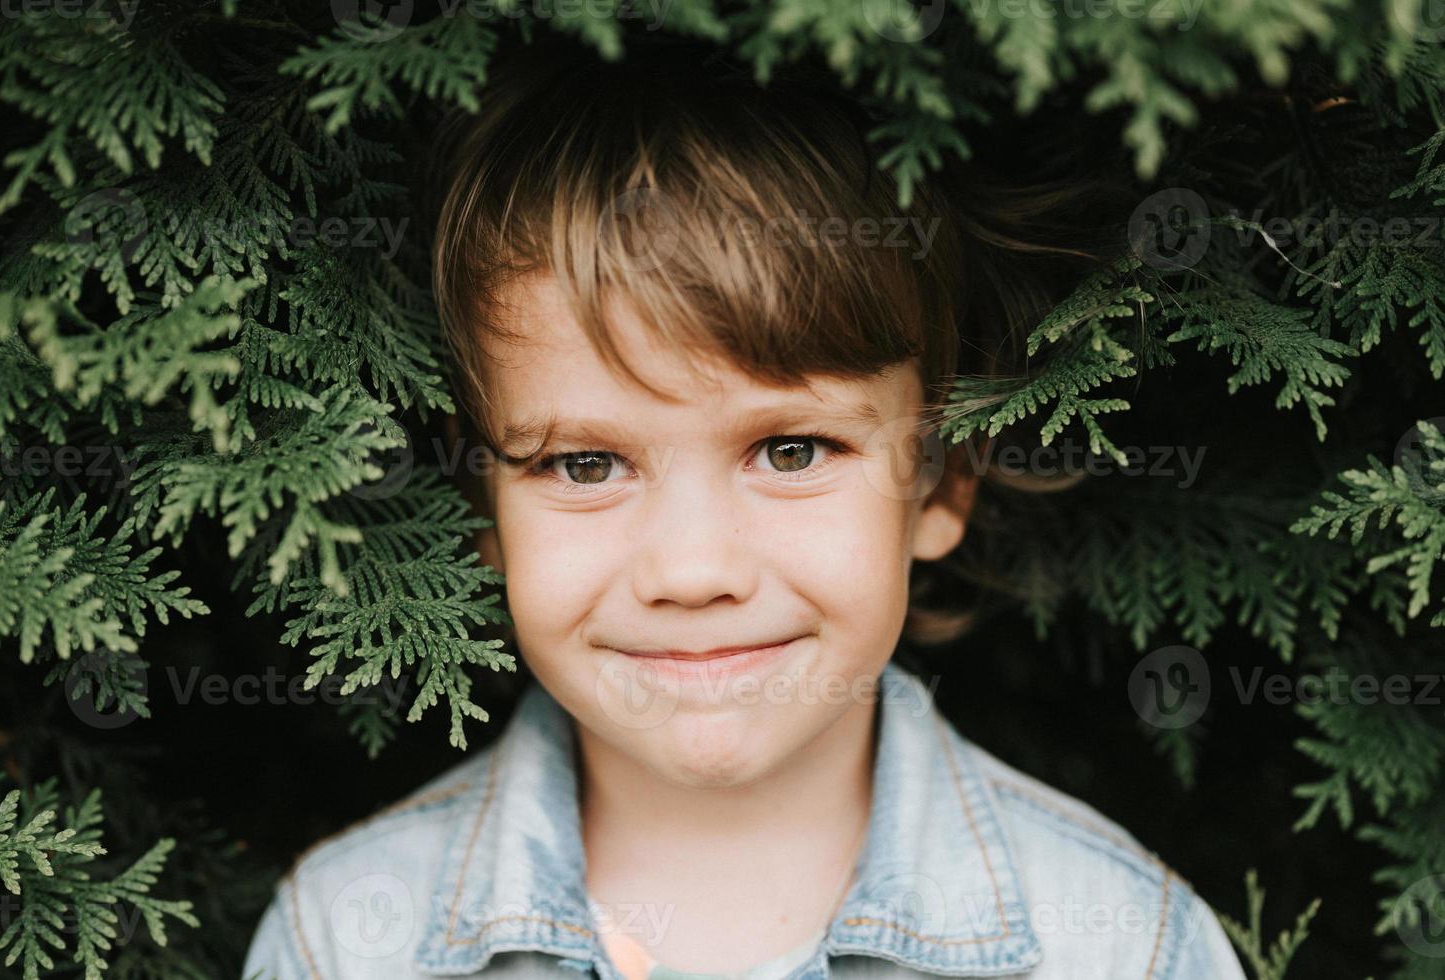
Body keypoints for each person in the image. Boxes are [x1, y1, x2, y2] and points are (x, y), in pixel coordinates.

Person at [241, 34, 1248, 980]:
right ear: (483, 503)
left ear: (942, 481)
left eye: (791, 449)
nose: (692, 569)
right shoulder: (345, 940)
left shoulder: (1122, 944)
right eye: (586, 464)